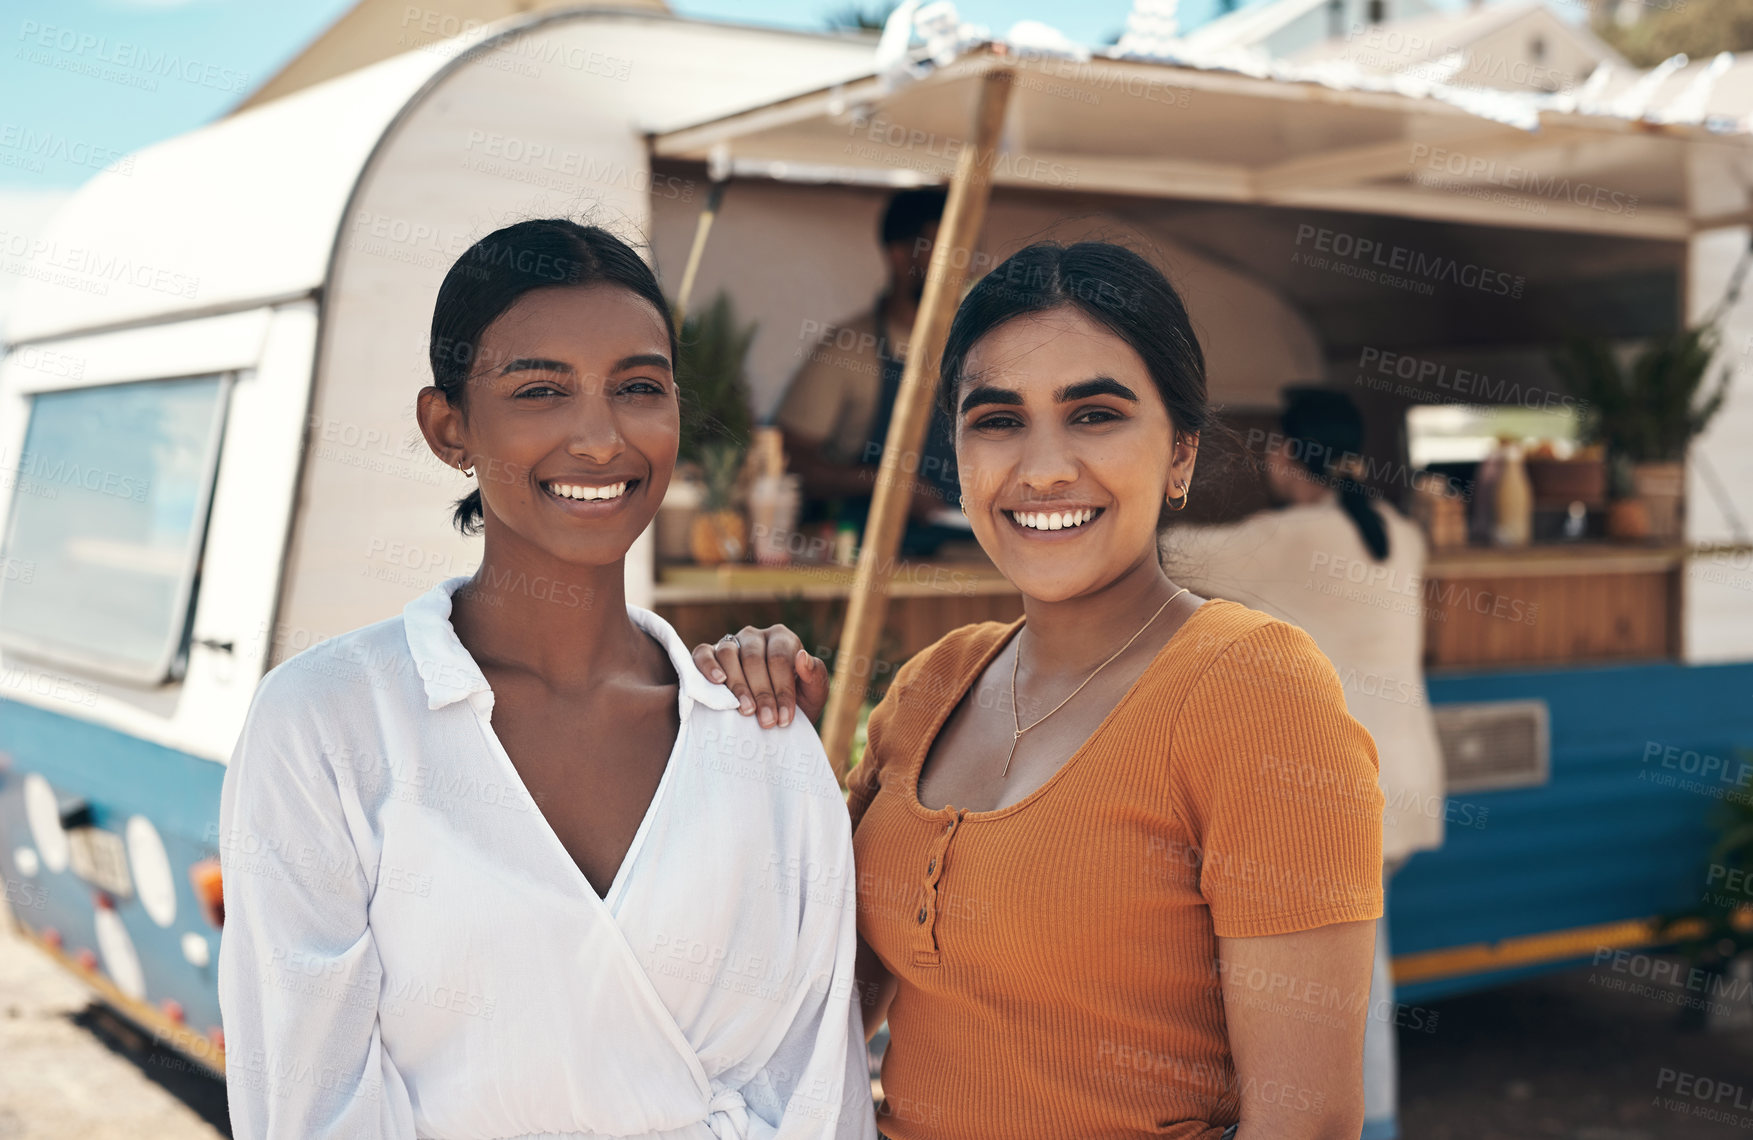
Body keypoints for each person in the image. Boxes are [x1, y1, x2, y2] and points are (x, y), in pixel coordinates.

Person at [697, 241, 1384, 1139]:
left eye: (1094, 414)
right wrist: (740, 738)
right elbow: (808, 1018)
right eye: (996, 420)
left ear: (1180, 455)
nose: (1044, 467)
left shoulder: (1253, 690)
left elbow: (1305, 1124)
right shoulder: (933, 683)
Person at [217, 220, 876, 1140]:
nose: (601, 438)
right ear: (448, 427)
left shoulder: (758, 736)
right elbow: (307, 1100)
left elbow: (820, 1090)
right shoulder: (328, 724)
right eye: (540, 390)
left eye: (638, 388)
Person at [1165, 388, 1448, 1140]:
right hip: (1403, 778)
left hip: (1333, 791)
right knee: (1356, 967)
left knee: (1330, 984)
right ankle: (1367, 1120)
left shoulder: (1285, 540)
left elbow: (1154, 552)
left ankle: (1356, 1123)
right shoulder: (1399, 533)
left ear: (1288, 456)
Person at [773, 187, 962, 552]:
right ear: (900, 255)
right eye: (947, 252)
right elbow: (789, 460)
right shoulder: (848, 349)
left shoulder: (978, 349)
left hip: (976, 561)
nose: (963, 267)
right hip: (874, 562)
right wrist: (886, 482)